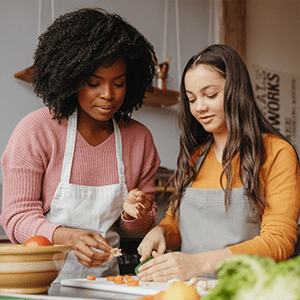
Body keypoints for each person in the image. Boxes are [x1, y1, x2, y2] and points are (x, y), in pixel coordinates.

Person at [0, 8, 161, 280]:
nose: (108, 95)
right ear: (71, 78)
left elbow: (140, 227)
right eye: (93, 82)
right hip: (41, 281)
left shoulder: (139, 138)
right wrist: (68, 237)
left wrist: (137, 212)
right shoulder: (36, 130)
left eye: (119, 83)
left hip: (105, 283)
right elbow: (16, 217)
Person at [136, 44, 300, 282]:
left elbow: (278, 241)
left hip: (249, 291)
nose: (199, 107)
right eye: (191, 99)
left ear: (236, 90)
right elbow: (175, 221)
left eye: (210, 95)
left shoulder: (276, 153)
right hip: (191, 292)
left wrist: (198, 263)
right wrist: (160, 231)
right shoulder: (195, 157)